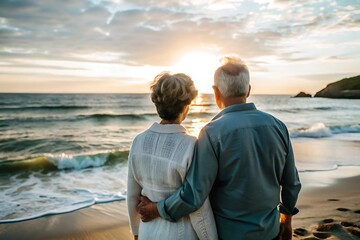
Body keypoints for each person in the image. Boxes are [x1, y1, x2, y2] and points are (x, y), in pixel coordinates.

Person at [138, 56, 302, 240]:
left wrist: (156, 209)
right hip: (270, 232)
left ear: (216, 92)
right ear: (248, 90)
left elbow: (194, 195)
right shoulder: (278, 126)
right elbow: (291, 183)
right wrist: (286, 219)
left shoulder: (211, 133)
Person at [127, 72, 218, 240]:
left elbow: (132, 195)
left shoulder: (138, 141)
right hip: (182, 234)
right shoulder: (192, 145)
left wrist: (136, 232)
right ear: (186, 107)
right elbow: (198, 208)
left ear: (157, 104)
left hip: (147, 231)